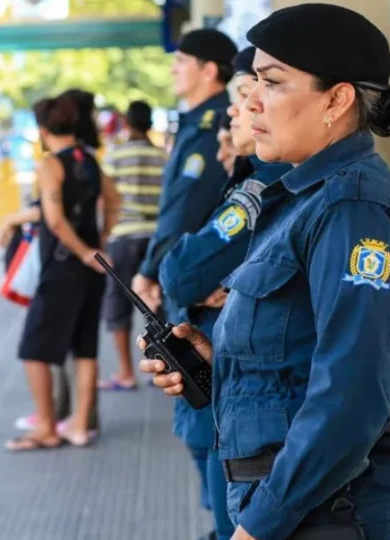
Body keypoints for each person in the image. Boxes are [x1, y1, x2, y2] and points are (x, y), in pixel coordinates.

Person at [141, 5, 390, 540]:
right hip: (300, 499)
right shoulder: (301, 197)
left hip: (336, 510)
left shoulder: (354, 207)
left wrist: (258, 526)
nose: (251, 99)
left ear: (336, 99)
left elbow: (351, 397)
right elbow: (301, 355)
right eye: (253, 80)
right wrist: (222, 368)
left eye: (272, 82)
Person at [158, 47, 292, 540]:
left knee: (229, 512)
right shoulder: (251, 178)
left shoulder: (267, 186)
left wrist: (225, 281)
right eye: (243, 92)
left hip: (253, 414)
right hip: (229, 382)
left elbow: (181, 272)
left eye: (261, 89)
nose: (241, 107)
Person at [129, 27, 237, 540]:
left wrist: (157, 267)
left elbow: (194, 212)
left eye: (181, 62)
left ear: (209, 69)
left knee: (209, 421)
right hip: (185, 282)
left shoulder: (219, 125)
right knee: (194, 419)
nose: (173, 70)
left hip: (205, 288)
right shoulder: (195, 123)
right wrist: (154, 267)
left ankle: (225, 526)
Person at [6, 94, 120, 452]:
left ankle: (47, 427)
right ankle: (80, 427)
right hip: (93, 267)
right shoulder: (89, 159)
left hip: (63, 265)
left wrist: (85, 253)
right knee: (85, 349)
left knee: (34, 349)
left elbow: (53, 219)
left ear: (42, 129)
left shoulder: (50, 164)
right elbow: (115, 201)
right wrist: (100, 241)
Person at [97, 100, 166, 392]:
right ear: (150, 124)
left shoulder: (115, 154)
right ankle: (162, 365)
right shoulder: (162, 157)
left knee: (118, 302)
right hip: (154, 237)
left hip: (123, 236)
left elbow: (106, 198)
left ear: (127, 123)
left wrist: (103, 234)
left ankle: (126, 373)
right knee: (156, 302)